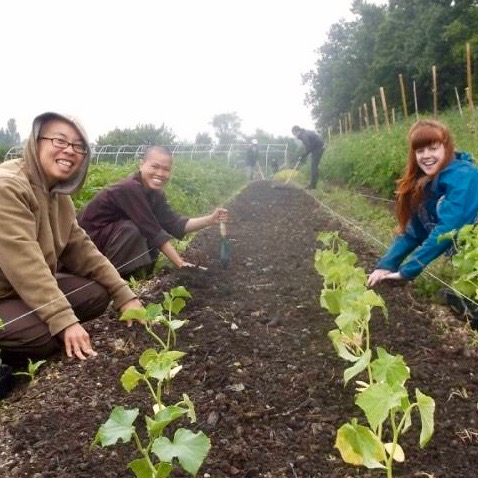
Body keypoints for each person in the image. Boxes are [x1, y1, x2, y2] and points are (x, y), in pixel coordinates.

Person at [0, 112, 143, 366]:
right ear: (36, 142)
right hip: (6, 291)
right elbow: (26, 266)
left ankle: (33, 324)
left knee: (96, 295)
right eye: (60, 141)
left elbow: (84, 251)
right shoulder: (8, 187)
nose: (69, 151)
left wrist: (124, 294)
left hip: (17, 291)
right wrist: (63, 320)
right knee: (43, 336)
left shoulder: (59, 196)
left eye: (78, 146)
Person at [77, 145, 229, 278]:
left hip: (108, 242)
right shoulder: (129, 188)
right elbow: (153, 231)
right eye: (155, 167)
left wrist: (210, 220)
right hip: (85, 247)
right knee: (133, 230)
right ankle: (112, 279)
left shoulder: (155, 194)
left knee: (144, 233)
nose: (160, 173)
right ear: (141, 165)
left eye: (166, 169)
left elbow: (176, 224)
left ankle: (136, 276)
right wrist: (180, 263)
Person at [367, 119, 478, 287]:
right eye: (420, 151)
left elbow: (450, 226)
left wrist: (409, 269)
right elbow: (414, 231)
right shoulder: (425, 183)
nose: (426, 156)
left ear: (446, 148)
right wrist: (386, 265)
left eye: (433, 148)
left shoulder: (465, 175)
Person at [291, 125, 325, 189]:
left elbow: (308, 148)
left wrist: (302, 156)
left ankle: (313, 185)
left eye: (294, 134)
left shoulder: (304, 135)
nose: (295, 136)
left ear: (298, 131)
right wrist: (303, 156)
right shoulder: (304, 133)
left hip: (318, 148)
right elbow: (308, 147)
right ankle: (313, 184)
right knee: (313, 165)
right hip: (316, 147)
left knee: (314, 166)